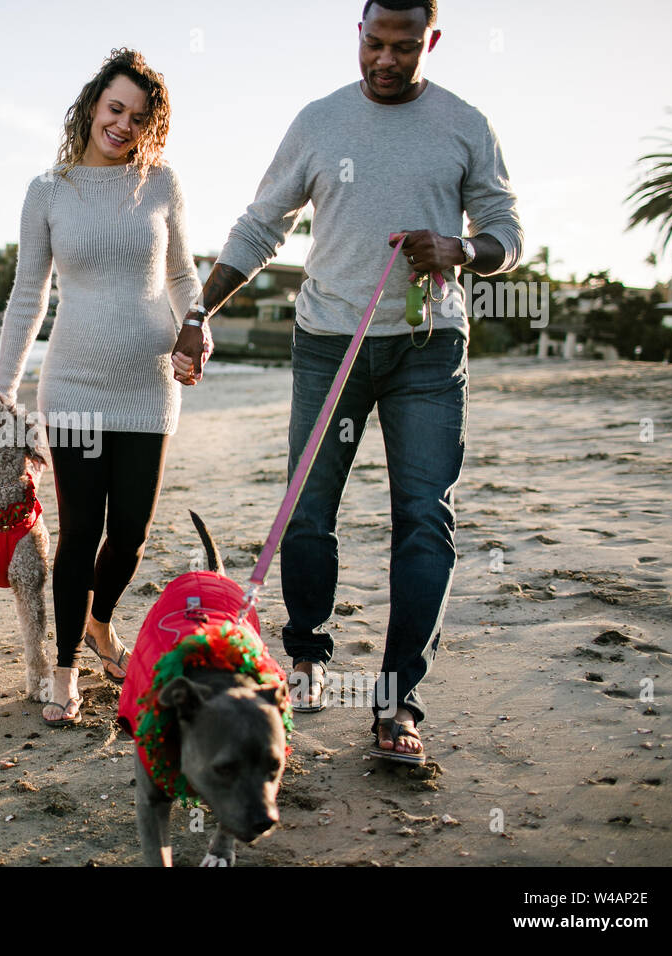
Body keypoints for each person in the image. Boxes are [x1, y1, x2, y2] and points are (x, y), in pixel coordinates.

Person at [172, 0, 523, 762]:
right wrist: (201, 311)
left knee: (425, 519)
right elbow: (263, 223)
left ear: (430, 40)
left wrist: (460, 250)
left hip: (428, 350)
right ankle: (305, 656)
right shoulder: (319, 121)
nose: (386, 61)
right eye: (375, 44)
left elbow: (508, 236)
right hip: (329, 342)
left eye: (404, 47)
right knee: (307, 509)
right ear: (357, 35)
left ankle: (398, 704)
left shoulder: (466, 123)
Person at [0, 48, 201, 727]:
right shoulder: (48, 190)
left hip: (148, 385)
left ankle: (99, 621)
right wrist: (2, 392)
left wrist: (196, 328)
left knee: (132, 534)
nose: (124, 126)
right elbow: (29, 294)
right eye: (116, 109)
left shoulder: (161, 183)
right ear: (91, 106)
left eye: (140, 118)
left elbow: (180, 277)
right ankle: (63, 671)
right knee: (81, 531)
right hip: (75, 386)